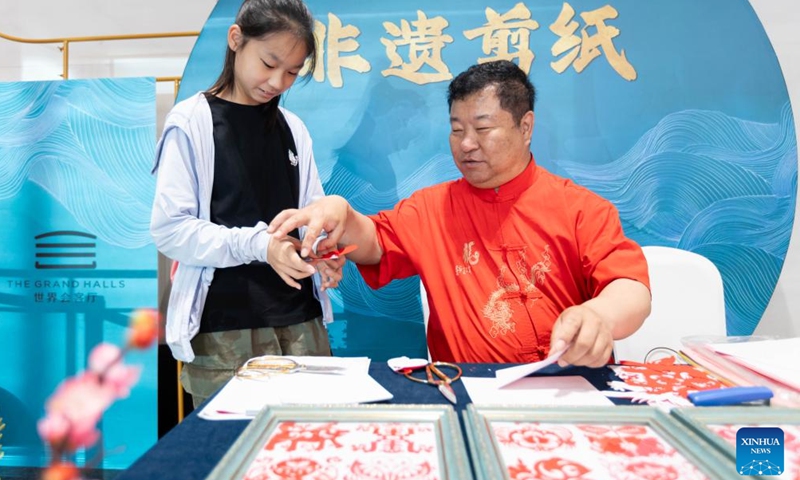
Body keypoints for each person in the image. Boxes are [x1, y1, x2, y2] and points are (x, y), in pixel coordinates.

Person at [268, 60, 651, 367]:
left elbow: (631, 289)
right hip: (467, 389)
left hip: (568, 387)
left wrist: (600, 314)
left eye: (483, 128)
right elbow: (373, 244)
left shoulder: (580, 208)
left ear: (526, 126)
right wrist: (342, 212)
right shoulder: (431, 209)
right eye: (456, 129)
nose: (467, 144)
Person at [150, 0, 343, 407]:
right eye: (269, 63)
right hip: (226, 330)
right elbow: (171, 229)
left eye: (292, 71)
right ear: (236, 39)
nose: (277, 81)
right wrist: (261, 246)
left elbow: (312, 212)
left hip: (302, 321)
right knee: (232, 460)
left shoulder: (294, 129)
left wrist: (320, 251)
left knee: (310, 452)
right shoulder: (192, 123)